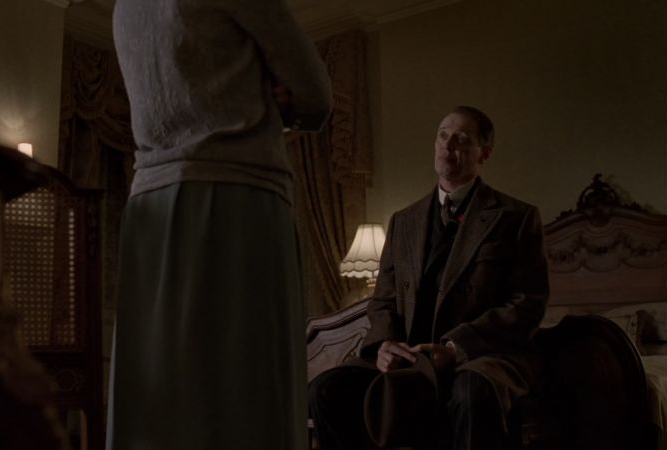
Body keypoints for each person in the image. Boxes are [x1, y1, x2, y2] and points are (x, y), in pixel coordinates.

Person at [107, 1, 332, 449]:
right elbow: (315, 95)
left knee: (158, 396)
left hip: (149, 208)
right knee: (244, 391)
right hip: (237, 197)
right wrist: (268, 93)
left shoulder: (123, 7)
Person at [309, 106, 549, 450]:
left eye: (461, 139)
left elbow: (526, 304)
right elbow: (383, 299)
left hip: (478, 356)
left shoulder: (516, 217)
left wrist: (455, 348)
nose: (448, 144)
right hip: (408, 355)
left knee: (472, 393)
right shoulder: (403, 221)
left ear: (484, 153)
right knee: (326, 390)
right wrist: (384, 344)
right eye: (442, 135)